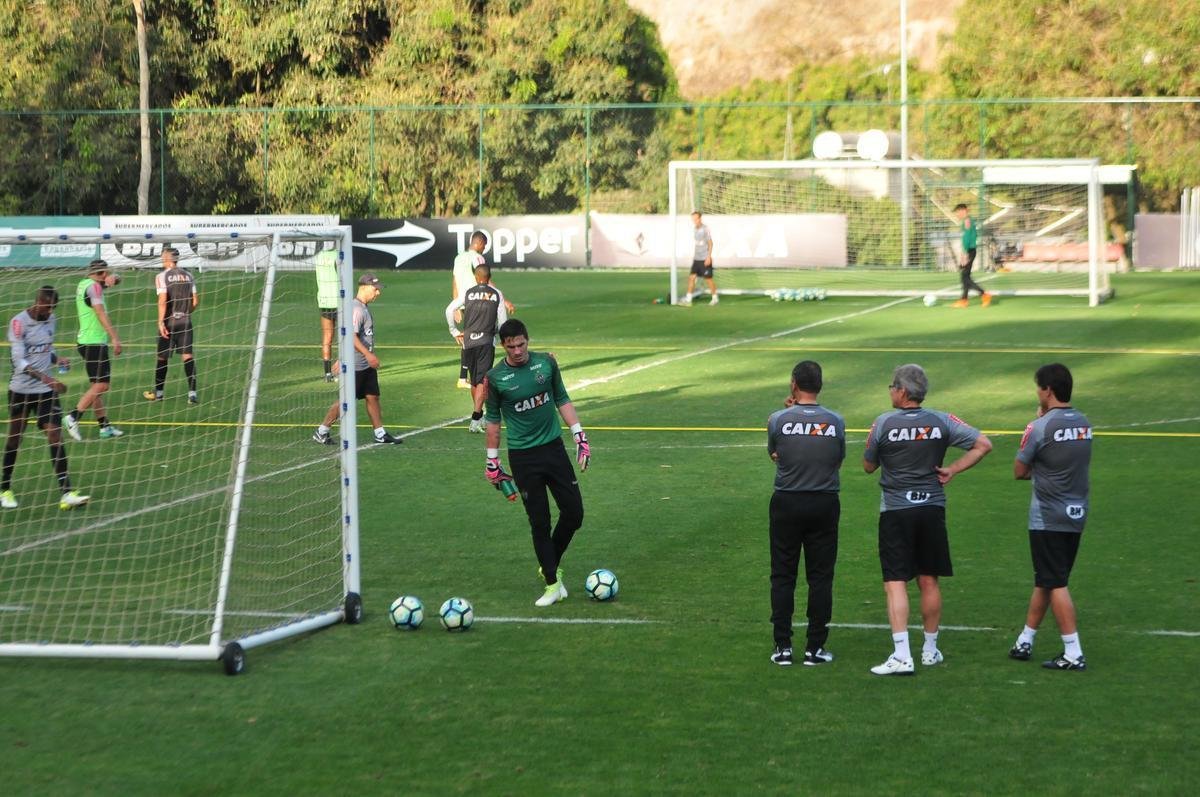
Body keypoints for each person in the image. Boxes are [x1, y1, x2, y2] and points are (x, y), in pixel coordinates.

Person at [863, 363, 992, 676]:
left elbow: (868, 466)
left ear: (903, 392)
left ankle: (902, 655)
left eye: (893, 386)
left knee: (895, 582)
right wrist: (953, 469)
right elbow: (983, 444)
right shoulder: (942, 420)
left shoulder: (883, 422)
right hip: (931, 508)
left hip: (896, 511)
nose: (890, 391)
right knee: (928, 580)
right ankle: (930, 650)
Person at [483, 318, 589, 607]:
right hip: (523, 457)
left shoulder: (546, 364)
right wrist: (492, 462)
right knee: (539, 521)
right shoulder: (494, 379)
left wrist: (579, 435)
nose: (517, 351)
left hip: (554, 450)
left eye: (521, 344)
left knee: (574, 513)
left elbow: (562, 399)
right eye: (511, 346)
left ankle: (549, 563)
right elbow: (493, 421)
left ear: (528, 340)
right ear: (503, 346)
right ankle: (553, 583)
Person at [1009, 363, 1092, 671]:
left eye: (1038, 387)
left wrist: (1039, 421)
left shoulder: (1039, 427)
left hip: (1047, 515)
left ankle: (1073, 651)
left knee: (1055, 581)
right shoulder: (1084, 423)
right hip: (1077, 512)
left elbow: (1019, 471)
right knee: (1048, 577)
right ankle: (1025, 640)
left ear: (1047, 391)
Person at [765, 360, 845, 667]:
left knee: (783, 575)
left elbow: (775, 454)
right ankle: (815, 648)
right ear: (820, 386)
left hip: (786, 502)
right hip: (824, 503)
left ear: (793, 385)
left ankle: (782, 647)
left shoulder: (777, 419)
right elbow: (836, 461)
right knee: (820, 577)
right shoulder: (836, 421)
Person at [2, 286, 89, 511]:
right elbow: (19, 362)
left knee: (55, 435)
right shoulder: (18, 323)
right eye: (47, 306)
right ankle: (5, 488)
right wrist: (49, 380)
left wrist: (56, 359)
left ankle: (67, 492)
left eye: (53, 308)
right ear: (37, 301)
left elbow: (44, 350)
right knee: (15, 439)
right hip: (21, 390)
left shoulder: (51, 320)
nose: (50, 311)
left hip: (45, 392)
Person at [312, 273, 403, 446]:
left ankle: (380, 433)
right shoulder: (356, 309)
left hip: (364, 365)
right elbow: (351, 337)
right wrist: (368, 355)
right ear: (365, 287)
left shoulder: (363, 307)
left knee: (373, 396)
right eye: (376, 290)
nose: (378, 293)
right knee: (345, 401)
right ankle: (322, 431)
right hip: (356, 365)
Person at [63, 259, 123, 441]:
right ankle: (73, 417)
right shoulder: (95, 288)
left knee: (95, 387)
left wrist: (114, 278)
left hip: (85, 341)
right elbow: (100, 312)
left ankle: (104, 427)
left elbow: (113, 280)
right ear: (103, 273)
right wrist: (114, 337)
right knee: (102, 385)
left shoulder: (85, 284)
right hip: (94, 342)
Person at [445, 262, 508, 433]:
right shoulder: (496, 294)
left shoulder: (468, 292)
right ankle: (476, 418)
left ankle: (479, 417)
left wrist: (454, 331)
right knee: (482, 381)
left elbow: (449, 310)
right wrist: (503, 339)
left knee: (475, 381)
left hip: (468, 342)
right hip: (486, 342)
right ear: (489, 278)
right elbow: (503, 322)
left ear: (476, 277)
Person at [450, 231, 514, 388]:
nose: (484, 249)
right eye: (484, 245)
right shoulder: (477, 257)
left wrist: (455, 304)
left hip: (464, 301)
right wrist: (502, 299)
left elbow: (455, 280)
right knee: (487, 334)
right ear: (478, 243)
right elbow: (485, 278)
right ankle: (486, 375)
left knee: (469, 337)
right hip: (480, 299)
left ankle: (463, 377)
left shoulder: (458, 258)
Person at [142, 247, 199, 404]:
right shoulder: (189, 275)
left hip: (169, 322)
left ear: (167, 259)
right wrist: (186, 312)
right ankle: (192, 394)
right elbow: (195, 301)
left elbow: (163, 300)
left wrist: (161, 322)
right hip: (185, 321)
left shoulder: (162, 276)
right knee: (187, 356)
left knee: (162, 357)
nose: (161, 260)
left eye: (162, 257)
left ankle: (159, 394)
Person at [952, 203, 991, 308]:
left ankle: (984, 294)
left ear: (963, 211)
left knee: (965, 277)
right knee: (965, 276)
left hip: (969, 251)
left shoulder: (967, 221)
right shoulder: (967, 221)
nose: (957, 215)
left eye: (958, 212)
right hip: (969, 251)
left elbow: (967, 238)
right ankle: (963, 300)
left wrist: (964, 253)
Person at [314, 247, 340, 382]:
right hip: (338, 300)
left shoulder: (319, 257)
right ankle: (342, 368)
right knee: (346, 336)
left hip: (324, 300)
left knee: (327, 337)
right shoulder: (339, 254)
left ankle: (328, 374)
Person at [683, 211, 718, 306]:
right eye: (693, 219)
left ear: (700, 219)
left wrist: (708, 257)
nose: (694, 221)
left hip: (705, 259)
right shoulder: (694, 229)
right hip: (696, 259)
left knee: (708, 279)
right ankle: (688, 299)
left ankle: (715, 298)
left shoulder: (705, 229)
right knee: (691, 278)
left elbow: (710, 243)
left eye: (696, 219)